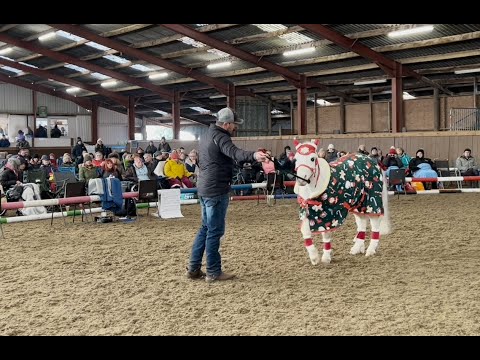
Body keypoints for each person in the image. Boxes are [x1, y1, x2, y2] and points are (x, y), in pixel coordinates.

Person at [186, 107, 267, 282]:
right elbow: (235, 152)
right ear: (227, 124)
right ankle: (214, 271)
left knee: (205, 229)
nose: (235, 127)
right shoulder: (221, 136)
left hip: (205, 187)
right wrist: (254, 155)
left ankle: (193, 268)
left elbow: (219, 159)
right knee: (215, 231)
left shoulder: (207, 135)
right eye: (234, 124)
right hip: (216, 189)